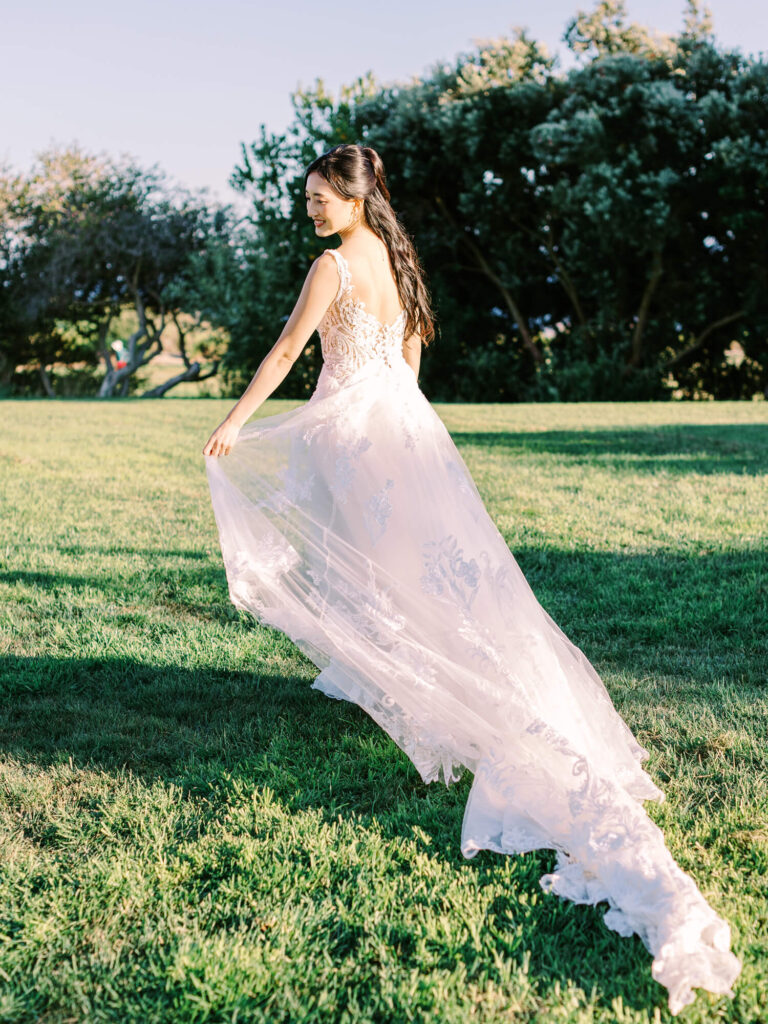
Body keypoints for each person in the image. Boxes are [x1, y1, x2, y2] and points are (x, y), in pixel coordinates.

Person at [202, 143, 741, 1015]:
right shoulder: (400, 265)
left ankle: (439, 699)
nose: (310, 211)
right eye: (307, 200)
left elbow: (286, 352)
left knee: (388, 581)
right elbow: (407, 371)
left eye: (318, 199)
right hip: (410, 436)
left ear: (354, 197)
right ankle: (426, 691)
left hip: (357, 437)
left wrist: (233, 423)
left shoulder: (333, 265)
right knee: (436, 577)